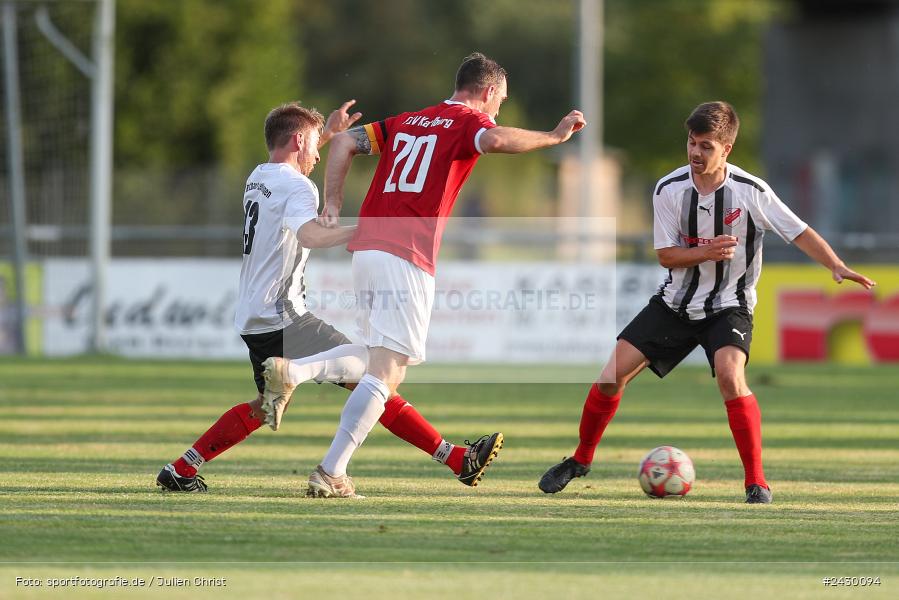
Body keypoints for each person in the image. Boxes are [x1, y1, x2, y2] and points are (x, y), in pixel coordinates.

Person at [276, 52, 586, 498]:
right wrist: (554, 138)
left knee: (372, 360)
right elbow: (497, 140)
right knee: (387, 372)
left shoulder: (410, 119)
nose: (497, 110)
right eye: (500, 101)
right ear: (489, 92)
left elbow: (342, 144)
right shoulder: (466, 122)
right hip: (406, 252)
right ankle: (329, 469)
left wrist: (332, 205)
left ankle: (298, 375)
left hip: (366, 248)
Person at [538, 101, 875, 504]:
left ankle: (756, 482)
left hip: (729, 306)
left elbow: (798, 231)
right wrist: (708, 252)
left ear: (726, 149)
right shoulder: (669, 189)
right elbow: (666, 255)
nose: (695, 153)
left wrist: (835, 265)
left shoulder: (751, 192)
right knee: (610, 376)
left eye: (706, 146)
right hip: (675, 304)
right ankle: (580, 460)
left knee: (731, 377)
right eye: (692, 142)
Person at [156, 101, 501, 493]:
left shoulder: (259, 176)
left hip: (253, 318)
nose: (318, 156)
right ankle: (453, 458)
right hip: (285, 316)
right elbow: (311, 236)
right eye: (314, 147)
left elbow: (295, 165)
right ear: (298, 140)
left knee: (266, 405)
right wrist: (369, 230)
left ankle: (183, 468)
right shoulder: (298, 185)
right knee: (377, 373)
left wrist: (328, 134)